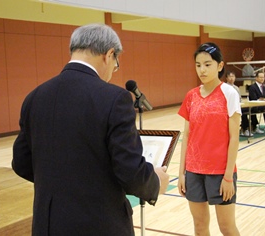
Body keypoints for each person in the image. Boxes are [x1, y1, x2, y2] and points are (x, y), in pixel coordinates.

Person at [12, 23, 169, 236]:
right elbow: (130, 171)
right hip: (99, 223)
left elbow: (21, 162)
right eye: (116, 64)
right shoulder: (115, 99)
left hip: (46, 224)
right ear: (109, 54)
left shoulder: (35, 97)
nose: (113, 72)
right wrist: (155, 181)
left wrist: (63, 184)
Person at [178, 43, 241, 235]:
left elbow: (234, 137)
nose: (202, 70)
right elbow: (187, 135)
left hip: (220, 172)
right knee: (199, 226)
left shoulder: (229, 93)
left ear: (220, 66)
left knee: (227, 227)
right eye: (198, 65)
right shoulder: (191, 96)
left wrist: (228, 176)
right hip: (194, 172)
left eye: (207, 64)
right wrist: (181, 173)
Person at [225, 71, 254, 137]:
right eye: (230, 76)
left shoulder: (236, 88)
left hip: (237, 106)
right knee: (242, 112)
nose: (231, 78)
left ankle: (246, 128)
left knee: (247, 110)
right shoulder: (225, 87)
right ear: (226, 78)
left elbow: (239, 99)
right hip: (229, 107)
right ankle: (244, 129)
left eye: (233, 76)